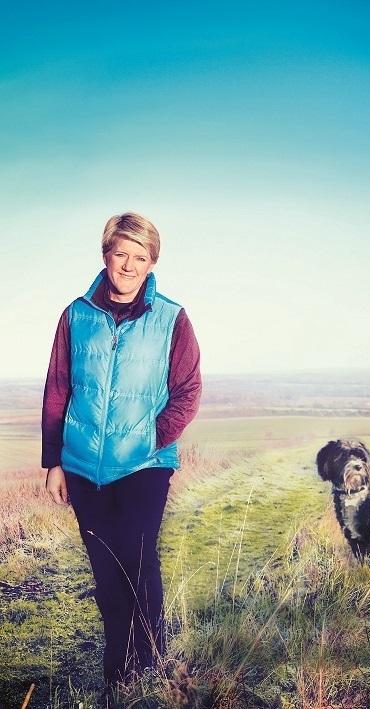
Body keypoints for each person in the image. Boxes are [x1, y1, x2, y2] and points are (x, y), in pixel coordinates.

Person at [42, 212, 201, 690]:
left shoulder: (172, 317)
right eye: (121, 254)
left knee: (137, 559)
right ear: (106, 254)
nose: (129, 265)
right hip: (83, 466)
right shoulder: (76, 315)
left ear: (152, 263)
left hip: (145, 465)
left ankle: (150, 662)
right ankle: (119, 668)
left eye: (141, 257)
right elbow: (58, 388)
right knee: (105, 568)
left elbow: (188, 389)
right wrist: (53, 461)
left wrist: (153, 438)